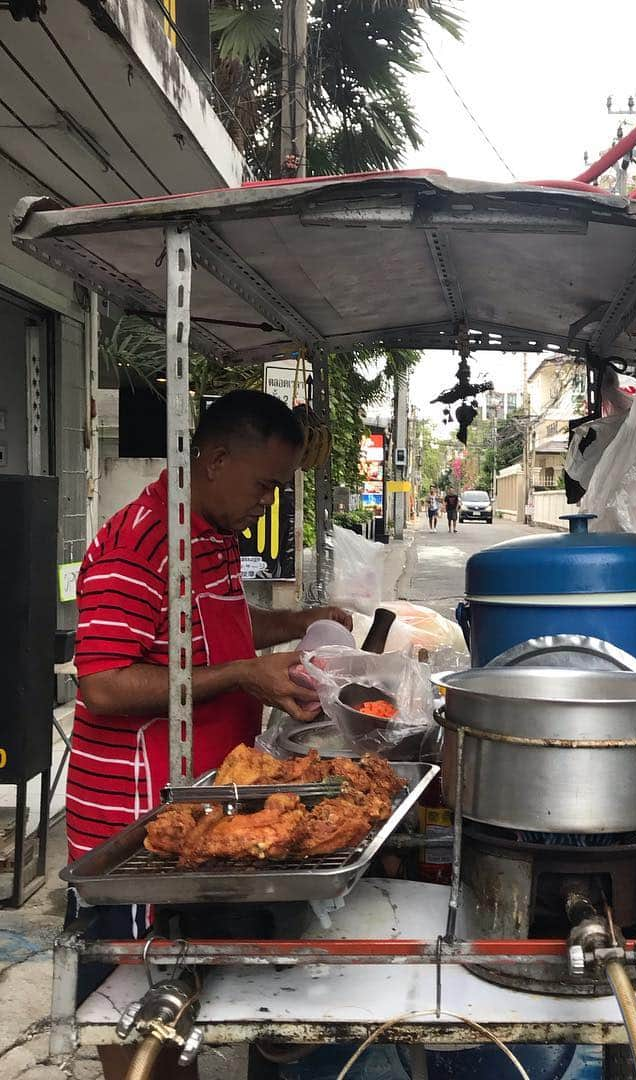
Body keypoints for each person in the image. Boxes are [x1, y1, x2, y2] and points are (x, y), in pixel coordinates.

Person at [68, 390, 353, 1079]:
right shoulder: (139, 543)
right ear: (217, 458)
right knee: (140, 1014)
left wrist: (300, 623)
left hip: (203, 802)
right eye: (264, 485)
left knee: (188, 1000)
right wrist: (240, 677)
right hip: (138, 823)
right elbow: (103, 683)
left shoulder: (215, 534)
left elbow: (218, 629)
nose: (268, 502)